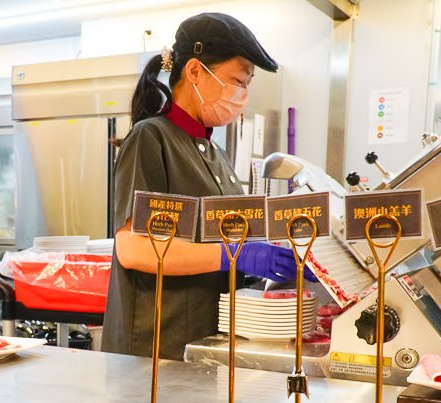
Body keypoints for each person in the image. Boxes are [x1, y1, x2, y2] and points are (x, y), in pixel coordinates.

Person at [102, 13, 313, 359]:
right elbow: (134, 250)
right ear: (196, 71)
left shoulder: (216, 153)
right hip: (156, 350)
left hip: (205, 344)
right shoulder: (151, 138)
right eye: (237, 81)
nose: (243, 94)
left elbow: (229, 241)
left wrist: (281, 263)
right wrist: (235, 255)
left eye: (247, 84)